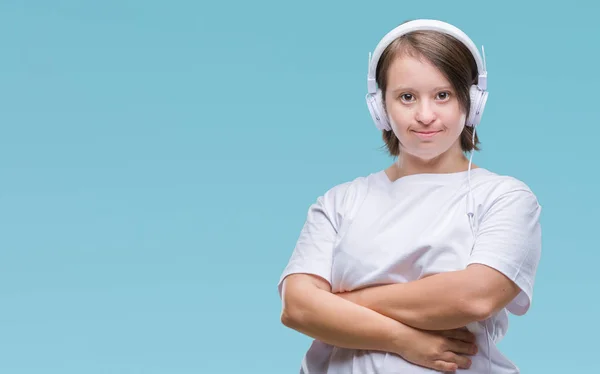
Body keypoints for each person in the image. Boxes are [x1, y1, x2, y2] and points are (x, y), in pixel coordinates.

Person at [277, 19, 542, 374]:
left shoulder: (505, 197)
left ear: (473, 102)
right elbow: (297, 308)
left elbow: (473, 297)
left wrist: (340, 305)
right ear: (380, 108)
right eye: (406, 97)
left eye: (443, 95)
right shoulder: (339, 202)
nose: (425, 115)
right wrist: (403, 340)